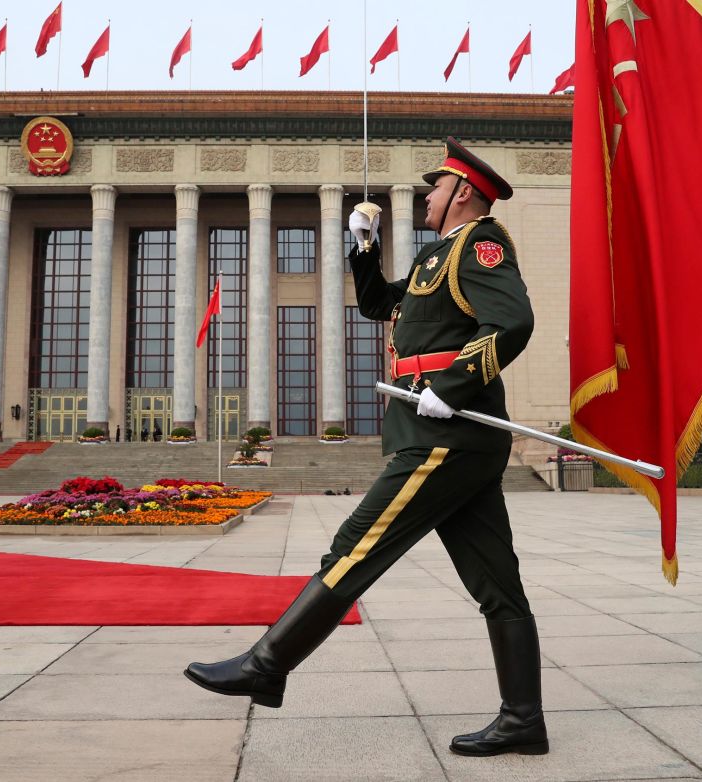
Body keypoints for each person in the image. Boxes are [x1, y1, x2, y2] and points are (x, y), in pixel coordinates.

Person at [186, 136, 545, 758]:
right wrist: (364, 247)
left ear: (462, 193)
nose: (428, 195)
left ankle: (266, 665)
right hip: (453, 436)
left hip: (445, 433)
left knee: (355, 549)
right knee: (498, 586)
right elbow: (381, 304)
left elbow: (513, 321)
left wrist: (452, 383)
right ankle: (523, 720)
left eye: (436, 187)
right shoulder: (441, 257)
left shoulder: (481, 246)